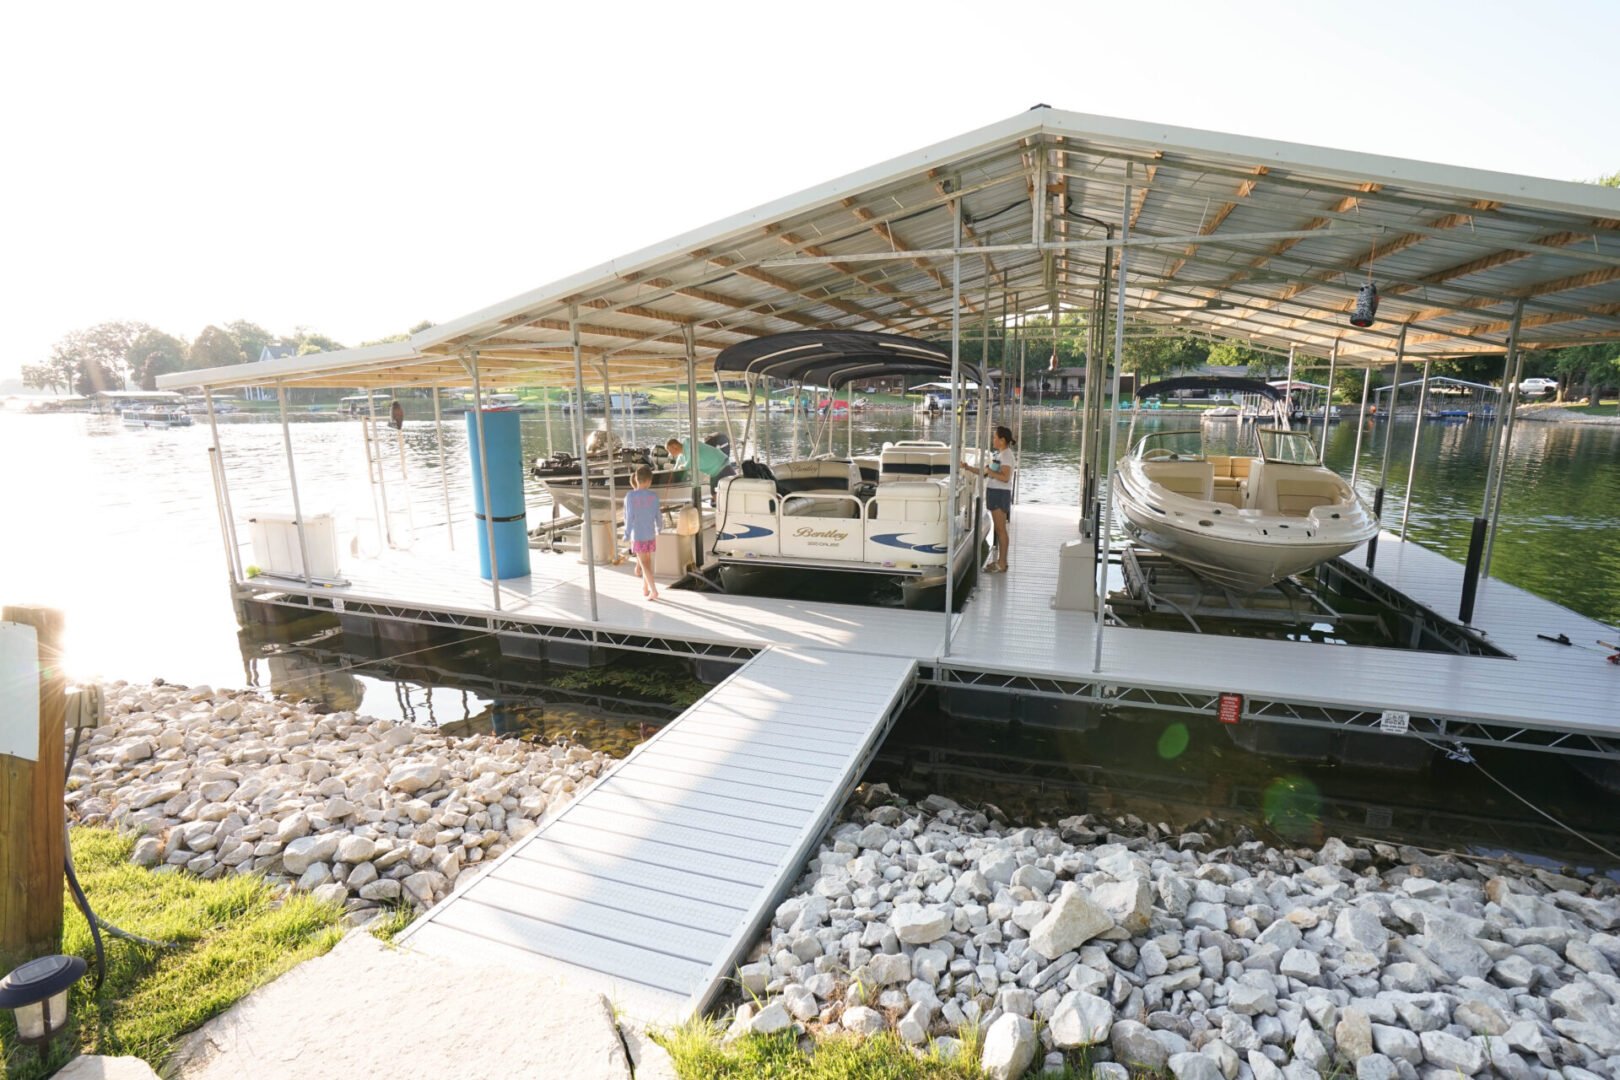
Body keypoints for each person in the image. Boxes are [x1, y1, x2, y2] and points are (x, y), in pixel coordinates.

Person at [962, 425, 1016, 574]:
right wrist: (968, 467)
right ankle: (1000, 561)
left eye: (995, 437)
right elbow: (986, 473)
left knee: (1001, 529)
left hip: (1000, 494)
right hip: (994, 493)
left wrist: (989, 470)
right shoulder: (999, 454)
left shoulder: (1006, 456)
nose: (993, 439)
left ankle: (1003, 563)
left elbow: (1005, 478)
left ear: (1002, 440)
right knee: (998, 529)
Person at [623, 465, 661, 601]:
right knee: (647, 561)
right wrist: (659, 529)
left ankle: (654, 590)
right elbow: (658, 515)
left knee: (644, 562)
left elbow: (629, 517)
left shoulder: (630, 496)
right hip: (650, 534)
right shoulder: (654, 496)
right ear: (650, 481)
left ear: (636, 479)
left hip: (637, 535)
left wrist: (627, 534)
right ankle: (645, 588)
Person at [666, 436, 736, 499]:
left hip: (722, 464)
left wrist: (683, 467)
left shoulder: (688, 443)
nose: (670, 453)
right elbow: (676, 469)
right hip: (714, 472)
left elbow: (692, 458)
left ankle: (727, 510)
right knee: (714, 493)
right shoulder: (681, 457)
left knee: (732, 491)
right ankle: (723, 510)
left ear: (675, 446)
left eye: (669, 450)